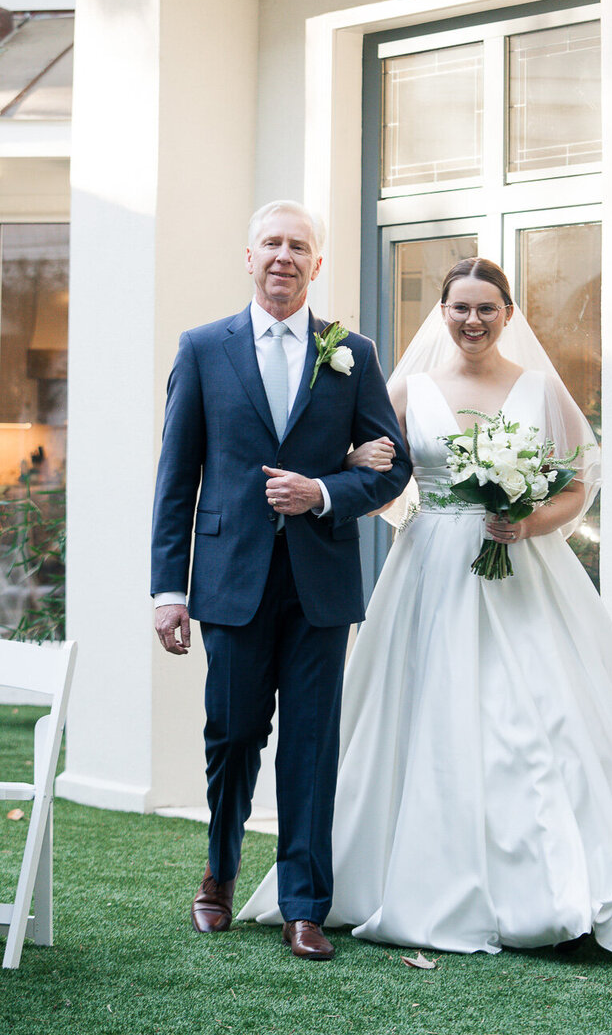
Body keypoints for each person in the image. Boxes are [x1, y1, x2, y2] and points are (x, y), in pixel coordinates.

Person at [238, 257, 612, 955]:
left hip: (520, 569)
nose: (472, 321)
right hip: (430, 568)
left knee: (534, 715)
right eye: (460, 307)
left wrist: (529, 522)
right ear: (442, 312)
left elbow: (577, 485)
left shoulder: (541, 390)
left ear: (509, 315)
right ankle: (406, 875)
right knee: (425, 710)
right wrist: (357, 466)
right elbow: (368, 459)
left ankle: (558, 889)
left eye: (487, 308)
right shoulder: (409, 386)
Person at [150, 200, 411, 959]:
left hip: (319, 583)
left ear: (317, 264)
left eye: (299, 246)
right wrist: (170, 589)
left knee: (309, 743)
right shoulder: (202, 349)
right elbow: (176, 479)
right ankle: (220, 872)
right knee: (232, 737)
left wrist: (324, 491)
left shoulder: (351, 354)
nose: (284, 257)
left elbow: (392, 468)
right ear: (249, 255)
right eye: (272, 243)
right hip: (229, 580)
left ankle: (305, 901)